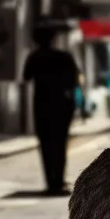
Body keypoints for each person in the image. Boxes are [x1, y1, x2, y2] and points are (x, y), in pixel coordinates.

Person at [23, 25, 79, 195]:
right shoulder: (64, 57)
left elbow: (26, 76)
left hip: (42, 106)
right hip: (61, 105)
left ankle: (51, 182)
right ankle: (59, 181)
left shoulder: (35, 57)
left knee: (46, 145)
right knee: (60, 144)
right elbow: (74, 80)